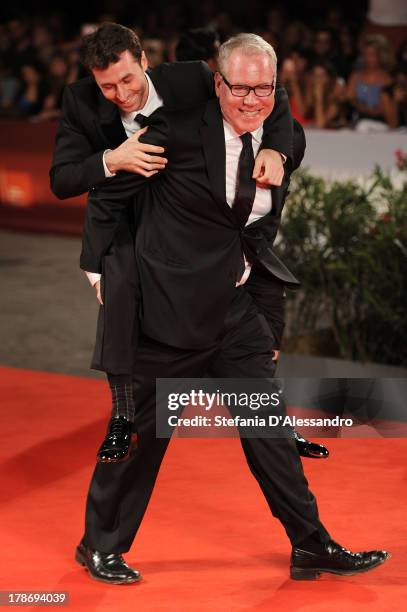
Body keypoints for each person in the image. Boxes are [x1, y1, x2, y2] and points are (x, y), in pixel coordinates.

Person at [76, 34, 389, 584]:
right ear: (217, 83)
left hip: (233, 312)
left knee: (269, 431)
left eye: (262, 88)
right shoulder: (176, 131)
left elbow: (264, 224)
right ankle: (99, 546)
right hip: (166, 315)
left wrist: (268, 323)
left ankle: (311, 544)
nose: (251, 99)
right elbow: (109, 195)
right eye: (239, 87)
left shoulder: (281, 135)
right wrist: (99, 268)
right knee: (141, 440)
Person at [50, 22, 327, 462]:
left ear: (145, 61)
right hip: (127, 209)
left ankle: (275, 425)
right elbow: (63, 181)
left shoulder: (192, 77)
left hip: (192, 213)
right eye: (107, 87)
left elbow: (271, 96)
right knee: (119, 278)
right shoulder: (80, 101)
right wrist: (110, 159)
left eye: (128, 79)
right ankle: (123, 416)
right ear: (91, 80)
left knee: (263, 296)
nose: (121, 94)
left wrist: (277, 148)